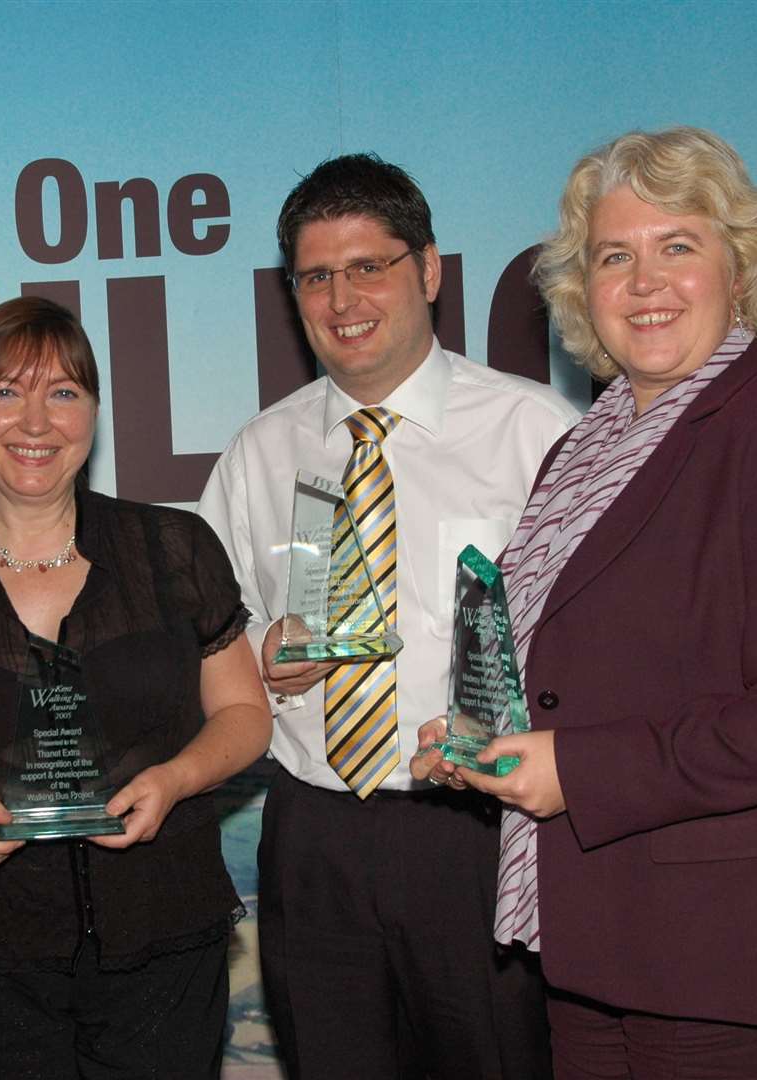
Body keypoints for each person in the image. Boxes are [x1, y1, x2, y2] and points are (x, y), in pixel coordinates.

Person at [413, 127, 757, 1078]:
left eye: (677, 246)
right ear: (582, 291)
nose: (645, 282)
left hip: (746, 974)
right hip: (600, 957)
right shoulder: (583, 453)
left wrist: (577, 772)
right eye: (615, 256)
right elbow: (579, 679)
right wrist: (489, 742)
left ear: (742, 267)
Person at [197, 153, 577, 1079]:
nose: (342, 298)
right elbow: (204, 640)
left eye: (368, 266)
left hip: (477, 832)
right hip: (315, 835)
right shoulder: (260, 451)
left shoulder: (536, 434)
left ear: (431, 270)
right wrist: (260, 652)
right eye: (316, 276)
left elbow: (600, 648)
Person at [0, 296, 269, 1079]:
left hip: (163, 938)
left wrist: (175, 779)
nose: (36, 421)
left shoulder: (173, 548)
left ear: (93, 410)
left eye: (63, 392)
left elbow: (245, 713)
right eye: (4, 391)